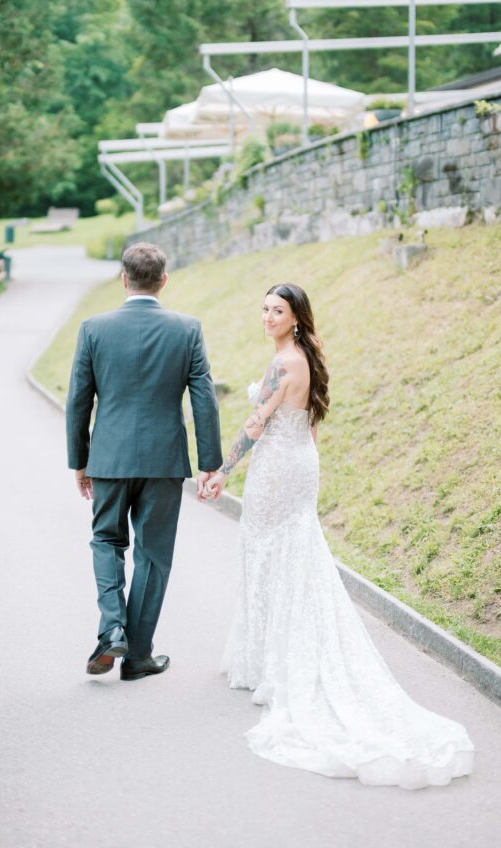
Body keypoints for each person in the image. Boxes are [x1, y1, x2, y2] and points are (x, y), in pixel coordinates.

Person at [202, 283, 474, 787]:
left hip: (278, 468)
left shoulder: (284, 364)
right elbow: (306, 423)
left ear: (296, 317)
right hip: (301, 460)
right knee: (294, 553)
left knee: (267, 553)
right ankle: (271, 655)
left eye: (276, 311)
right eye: (263, 309)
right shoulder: (306, 356)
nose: (266, 317)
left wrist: (220, 470)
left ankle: (271, 663)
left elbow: (256, 423)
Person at [66, 242, 222, 681]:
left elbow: (79, 400)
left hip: (109, 459)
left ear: (123, 279)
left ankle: (111, 627)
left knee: (106, 541)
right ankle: (137, 657)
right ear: (164, 280)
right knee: (152, 556)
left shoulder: (93, 328)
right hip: (164, 460)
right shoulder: (186, 329)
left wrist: (80, 460)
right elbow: (204, 398)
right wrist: (210, 461)